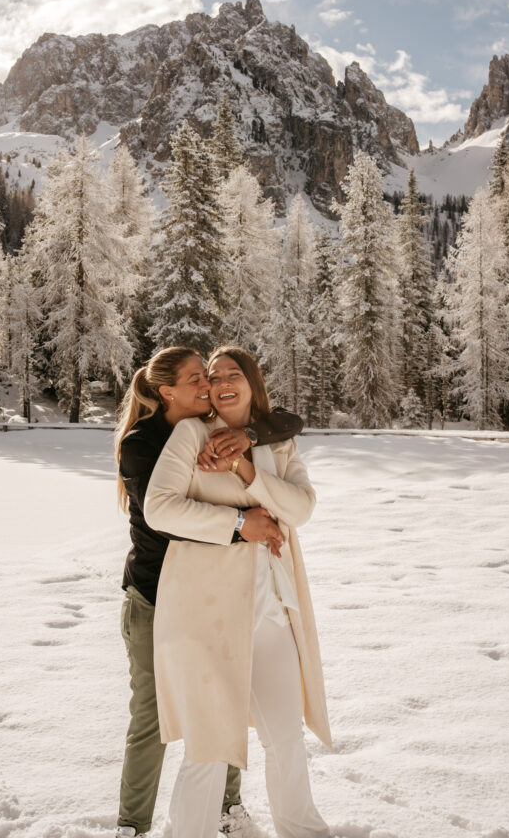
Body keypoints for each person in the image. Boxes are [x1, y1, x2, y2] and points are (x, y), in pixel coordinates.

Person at [114, 345, 304, 838]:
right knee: (155, 718)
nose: (208, 386)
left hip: (213, 596)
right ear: (167, 392)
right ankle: (132, 827)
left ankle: (227, 808)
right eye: (197, 379)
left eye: (211, 375)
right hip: (156, 596)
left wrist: (248, 439)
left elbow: (285, 420)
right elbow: (167, 517)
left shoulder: (218, 428)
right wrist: (242, 522)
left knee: (226, 707)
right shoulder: (147, 442)